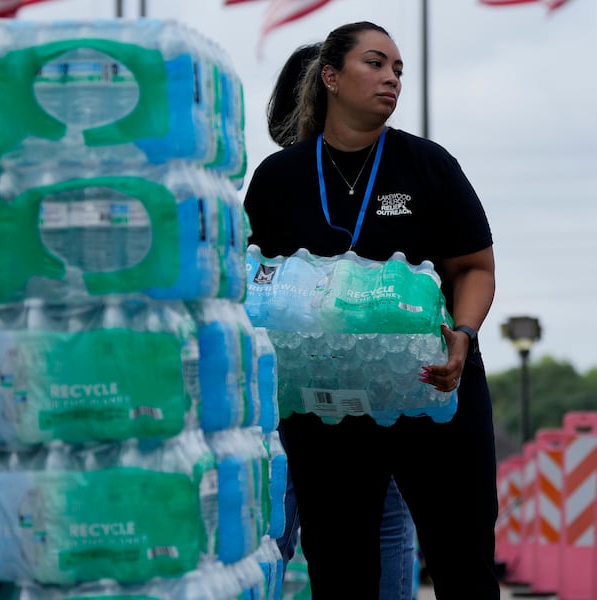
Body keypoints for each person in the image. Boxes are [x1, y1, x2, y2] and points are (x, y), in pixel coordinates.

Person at [244, 21, 499, 599]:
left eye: (398, 70)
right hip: (328, 404)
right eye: (376, 64)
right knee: (339, 565)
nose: (391, 79)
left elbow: (474, 268)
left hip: (432, 386)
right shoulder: (279, 179)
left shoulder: (428, 166)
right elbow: (256, 284)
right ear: (331, 77)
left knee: (463, 556)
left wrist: (463, 332)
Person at [268, 41, 421, 600]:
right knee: (376, 525)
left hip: (296, 400)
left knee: (274, 531)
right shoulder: (284, 183)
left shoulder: (275, 185)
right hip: (366, 398)